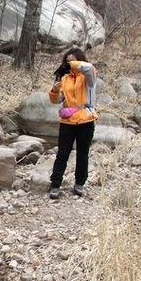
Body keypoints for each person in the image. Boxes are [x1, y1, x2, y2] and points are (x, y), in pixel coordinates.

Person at [48, 47, 99, 199]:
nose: (68, 64)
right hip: (67, 122)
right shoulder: (65, 79)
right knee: (62, 154)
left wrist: (73, 65)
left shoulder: (88, 76)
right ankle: (55, 184)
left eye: (72, 61)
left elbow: (88, 67)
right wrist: (54, 90)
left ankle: (79, 184)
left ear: (79, 61)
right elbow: (56, 100)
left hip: (86, 120)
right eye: (67, 61)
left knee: (82, 154)